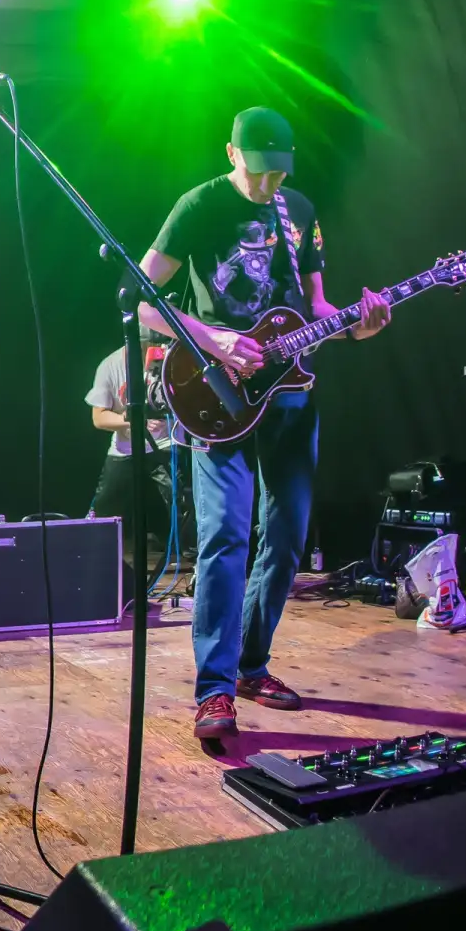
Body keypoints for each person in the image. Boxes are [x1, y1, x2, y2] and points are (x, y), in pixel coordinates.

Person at [138, 108, 390, 739]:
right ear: (231, 154)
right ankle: (214, 691)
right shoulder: (197, 206)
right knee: (226, 537)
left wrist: (356, 327)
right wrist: (211, 337)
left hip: (290, 396)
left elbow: (318, 305)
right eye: (257, 172)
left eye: (278, 173)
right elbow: (141, 300)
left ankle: (252, 666)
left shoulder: (298, 209)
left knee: (286, 537)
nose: (268, 184)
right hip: (217, 392)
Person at [85, 331, 182, 578]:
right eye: (143, 344)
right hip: (125, 449)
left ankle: (190, 561)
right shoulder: (111, 365)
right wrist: (132, 422)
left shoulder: (172, 358)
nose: (149, 349)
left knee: (182, 509)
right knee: (105, 512)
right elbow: (99, 418)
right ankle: (97, 565)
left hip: (166, 444)